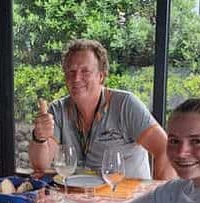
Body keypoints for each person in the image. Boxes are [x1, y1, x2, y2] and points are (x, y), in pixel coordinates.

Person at [29, 39, 176, 180]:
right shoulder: (58, 109)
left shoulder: (125, 104)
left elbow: (165, 149)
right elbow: (41, 165)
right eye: (71, 72)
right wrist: (39, 137)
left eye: (85, 71)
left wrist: (161, 197)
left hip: (129, 199)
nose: (76, 78)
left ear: (101, 76)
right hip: (81, 200)